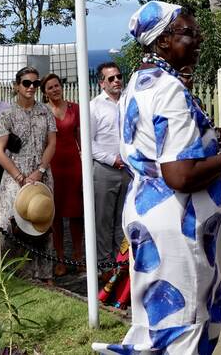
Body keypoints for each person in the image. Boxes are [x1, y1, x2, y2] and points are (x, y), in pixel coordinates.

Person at [94, 1, 221, 354]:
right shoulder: (168, 90)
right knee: (184, 331)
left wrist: (209, 141)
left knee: (161, 329)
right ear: (163, 40)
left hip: (153, 222)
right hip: (178, 231)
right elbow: (180, 175)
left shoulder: (139, 81)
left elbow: (157, 148)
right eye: (190, 33)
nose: (198, 40)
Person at [0, 66, 57, 282]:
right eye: (26, 83)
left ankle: (44, 274)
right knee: (13, 226)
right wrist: (20, 177)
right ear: (16, 86)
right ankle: (16, 275)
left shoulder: (45, 111)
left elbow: (52, 143)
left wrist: (40, 171)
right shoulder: (8, 115)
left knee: (42, 223)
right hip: (14, 177)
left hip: (42, 174)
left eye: (35, 83)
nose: (31, 87)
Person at [41, 73, 84, 276]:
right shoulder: (42, 112)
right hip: (53, 166)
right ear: (44, 92)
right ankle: (59, 259)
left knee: (77, 214)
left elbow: (81, 139)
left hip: (73, 165)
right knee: (55, 215)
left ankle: (78, 256)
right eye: (50, 87)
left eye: (57, 85)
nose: (55, 89)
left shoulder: (76, 108)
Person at [90, 62, 128, 279]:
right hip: (105, 170)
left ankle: (121, 266)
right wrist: (112, 159)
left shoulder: (128, 102)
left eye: (118, 77)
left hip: (129, 170)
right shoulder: (94, 107)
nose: (116, 81)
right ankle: (105, 268)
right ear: (101, 82)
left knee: (123, 220)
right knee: (103, 221)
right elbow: (89, 142)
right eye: (111, 78)